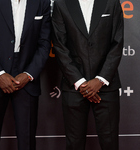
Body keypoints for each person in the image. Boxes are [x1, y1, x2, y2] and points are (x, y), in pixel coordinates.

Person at [0, 0, 51, 149]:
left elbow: (44, 43)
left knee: (27, 140)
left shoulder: (42, 2)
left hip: (27, 76)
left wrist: (28, 74)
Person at [52, 0, 123, 149]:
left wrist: (100, 79)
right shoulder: (62, 4)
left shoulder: (111, 2)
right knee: (74, 143)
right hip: (74, 86)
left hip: (106, 86)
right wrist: (80, 82)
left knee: (110, 142)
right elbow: (59, 46)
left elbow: (117, 43)